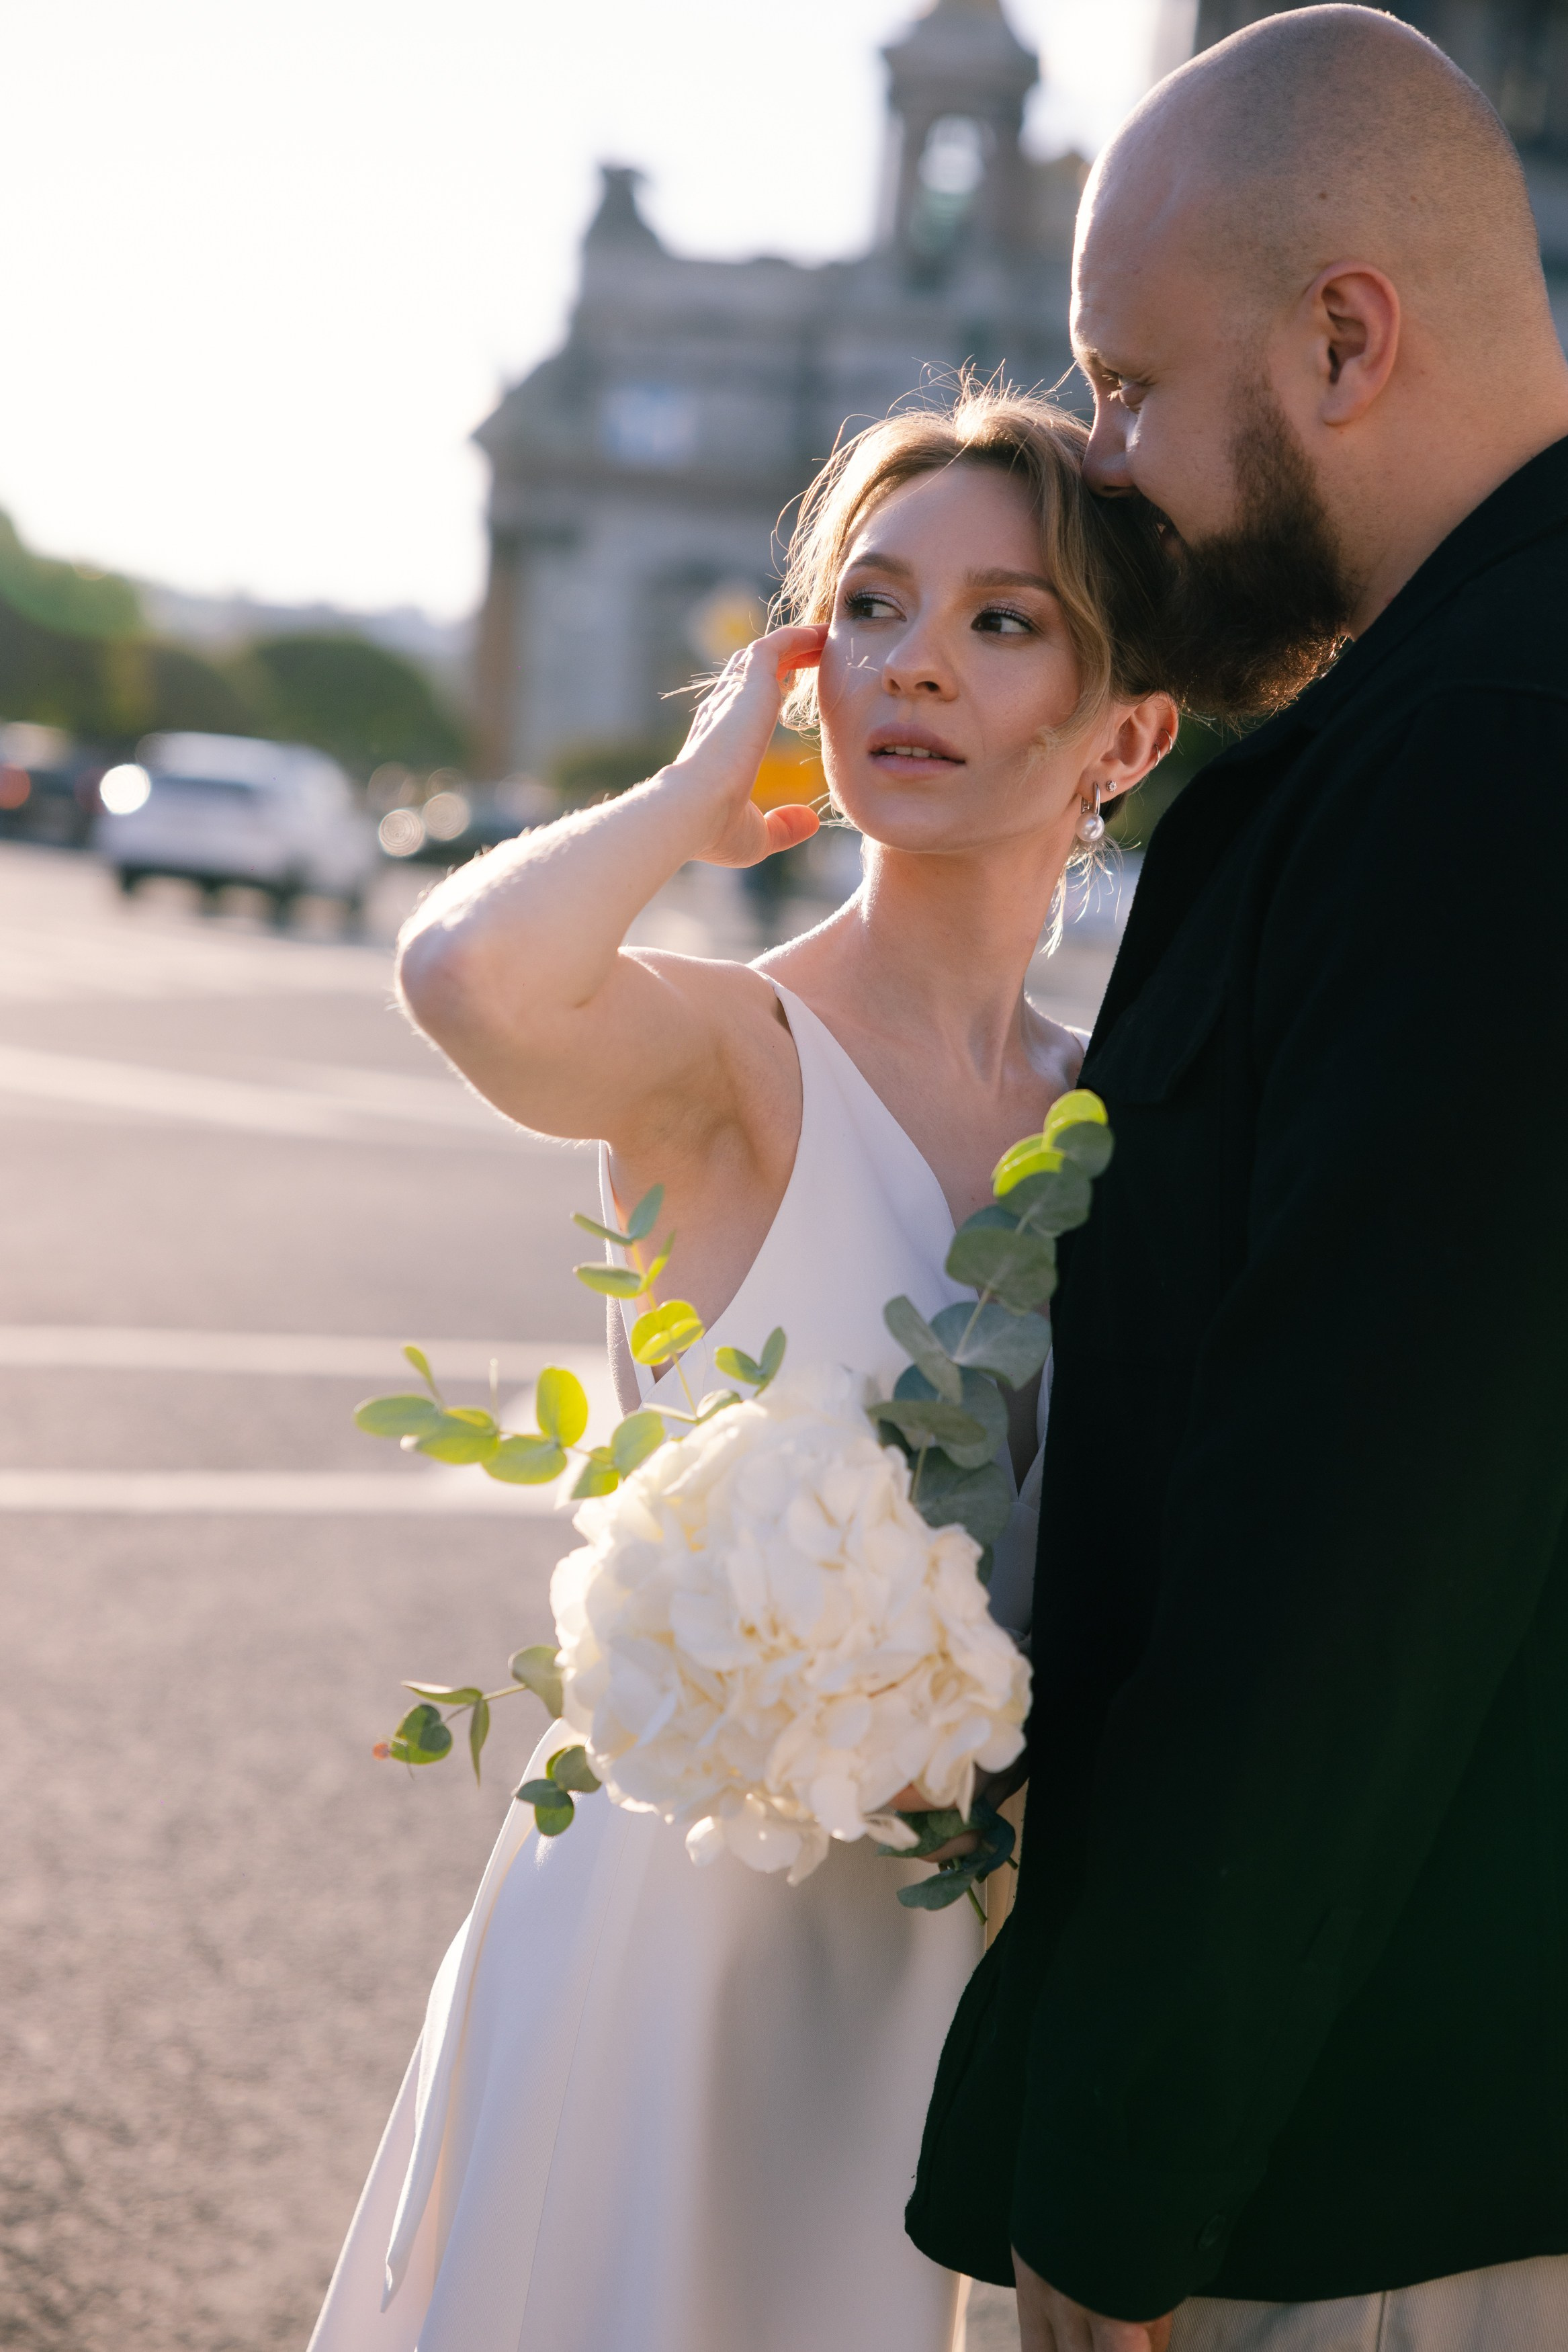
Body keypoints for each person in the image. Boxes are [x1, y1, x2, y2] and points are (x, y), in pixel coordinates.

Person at [306, 387, 1177, 2352]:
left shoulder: (1113, 1118)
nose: (915, 662)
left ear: (1127, 737)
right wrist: (703, 789)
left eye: (1004, 620)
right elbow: (470, 980)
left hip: (957, 1967)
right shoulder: (728, 1056)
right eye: (871, 606)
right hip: (670, 1960)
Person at [906, 11, 1568, 2352]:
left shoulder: (1483, 755)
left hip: (1366, 2175)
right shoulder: (1466, 708)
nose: (1100, 463)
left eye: (1129, 387)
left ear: (1345, 341)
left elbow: (1359, 1542)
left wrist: (1119, 2174)